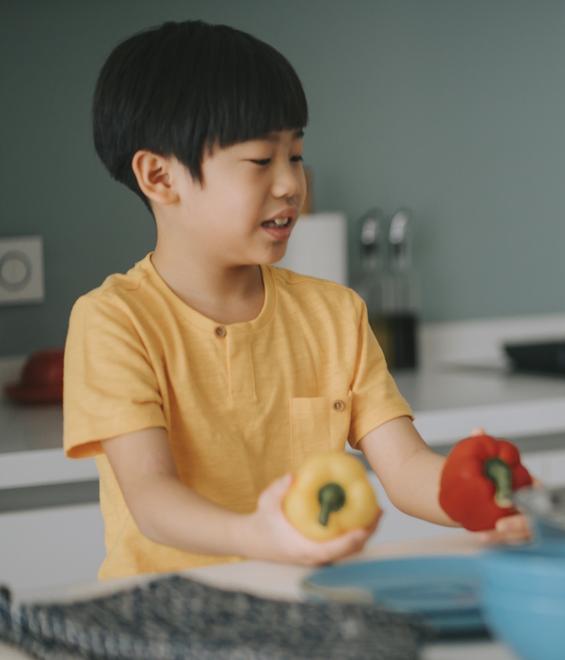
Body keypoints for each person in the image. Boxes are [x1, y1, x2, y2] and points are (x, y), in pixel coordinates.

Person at [65, 20, 525, 580]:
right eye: (262, 160)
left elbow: (405, 466)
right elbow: (152, 497)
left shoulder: (335, 315)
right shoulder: (115, 320)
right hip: (165, 610)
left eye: (297, 155)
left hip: (305, 600)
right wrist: (256, 537)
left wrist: (477, 498)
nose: (290, 184)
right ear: (160, 176)